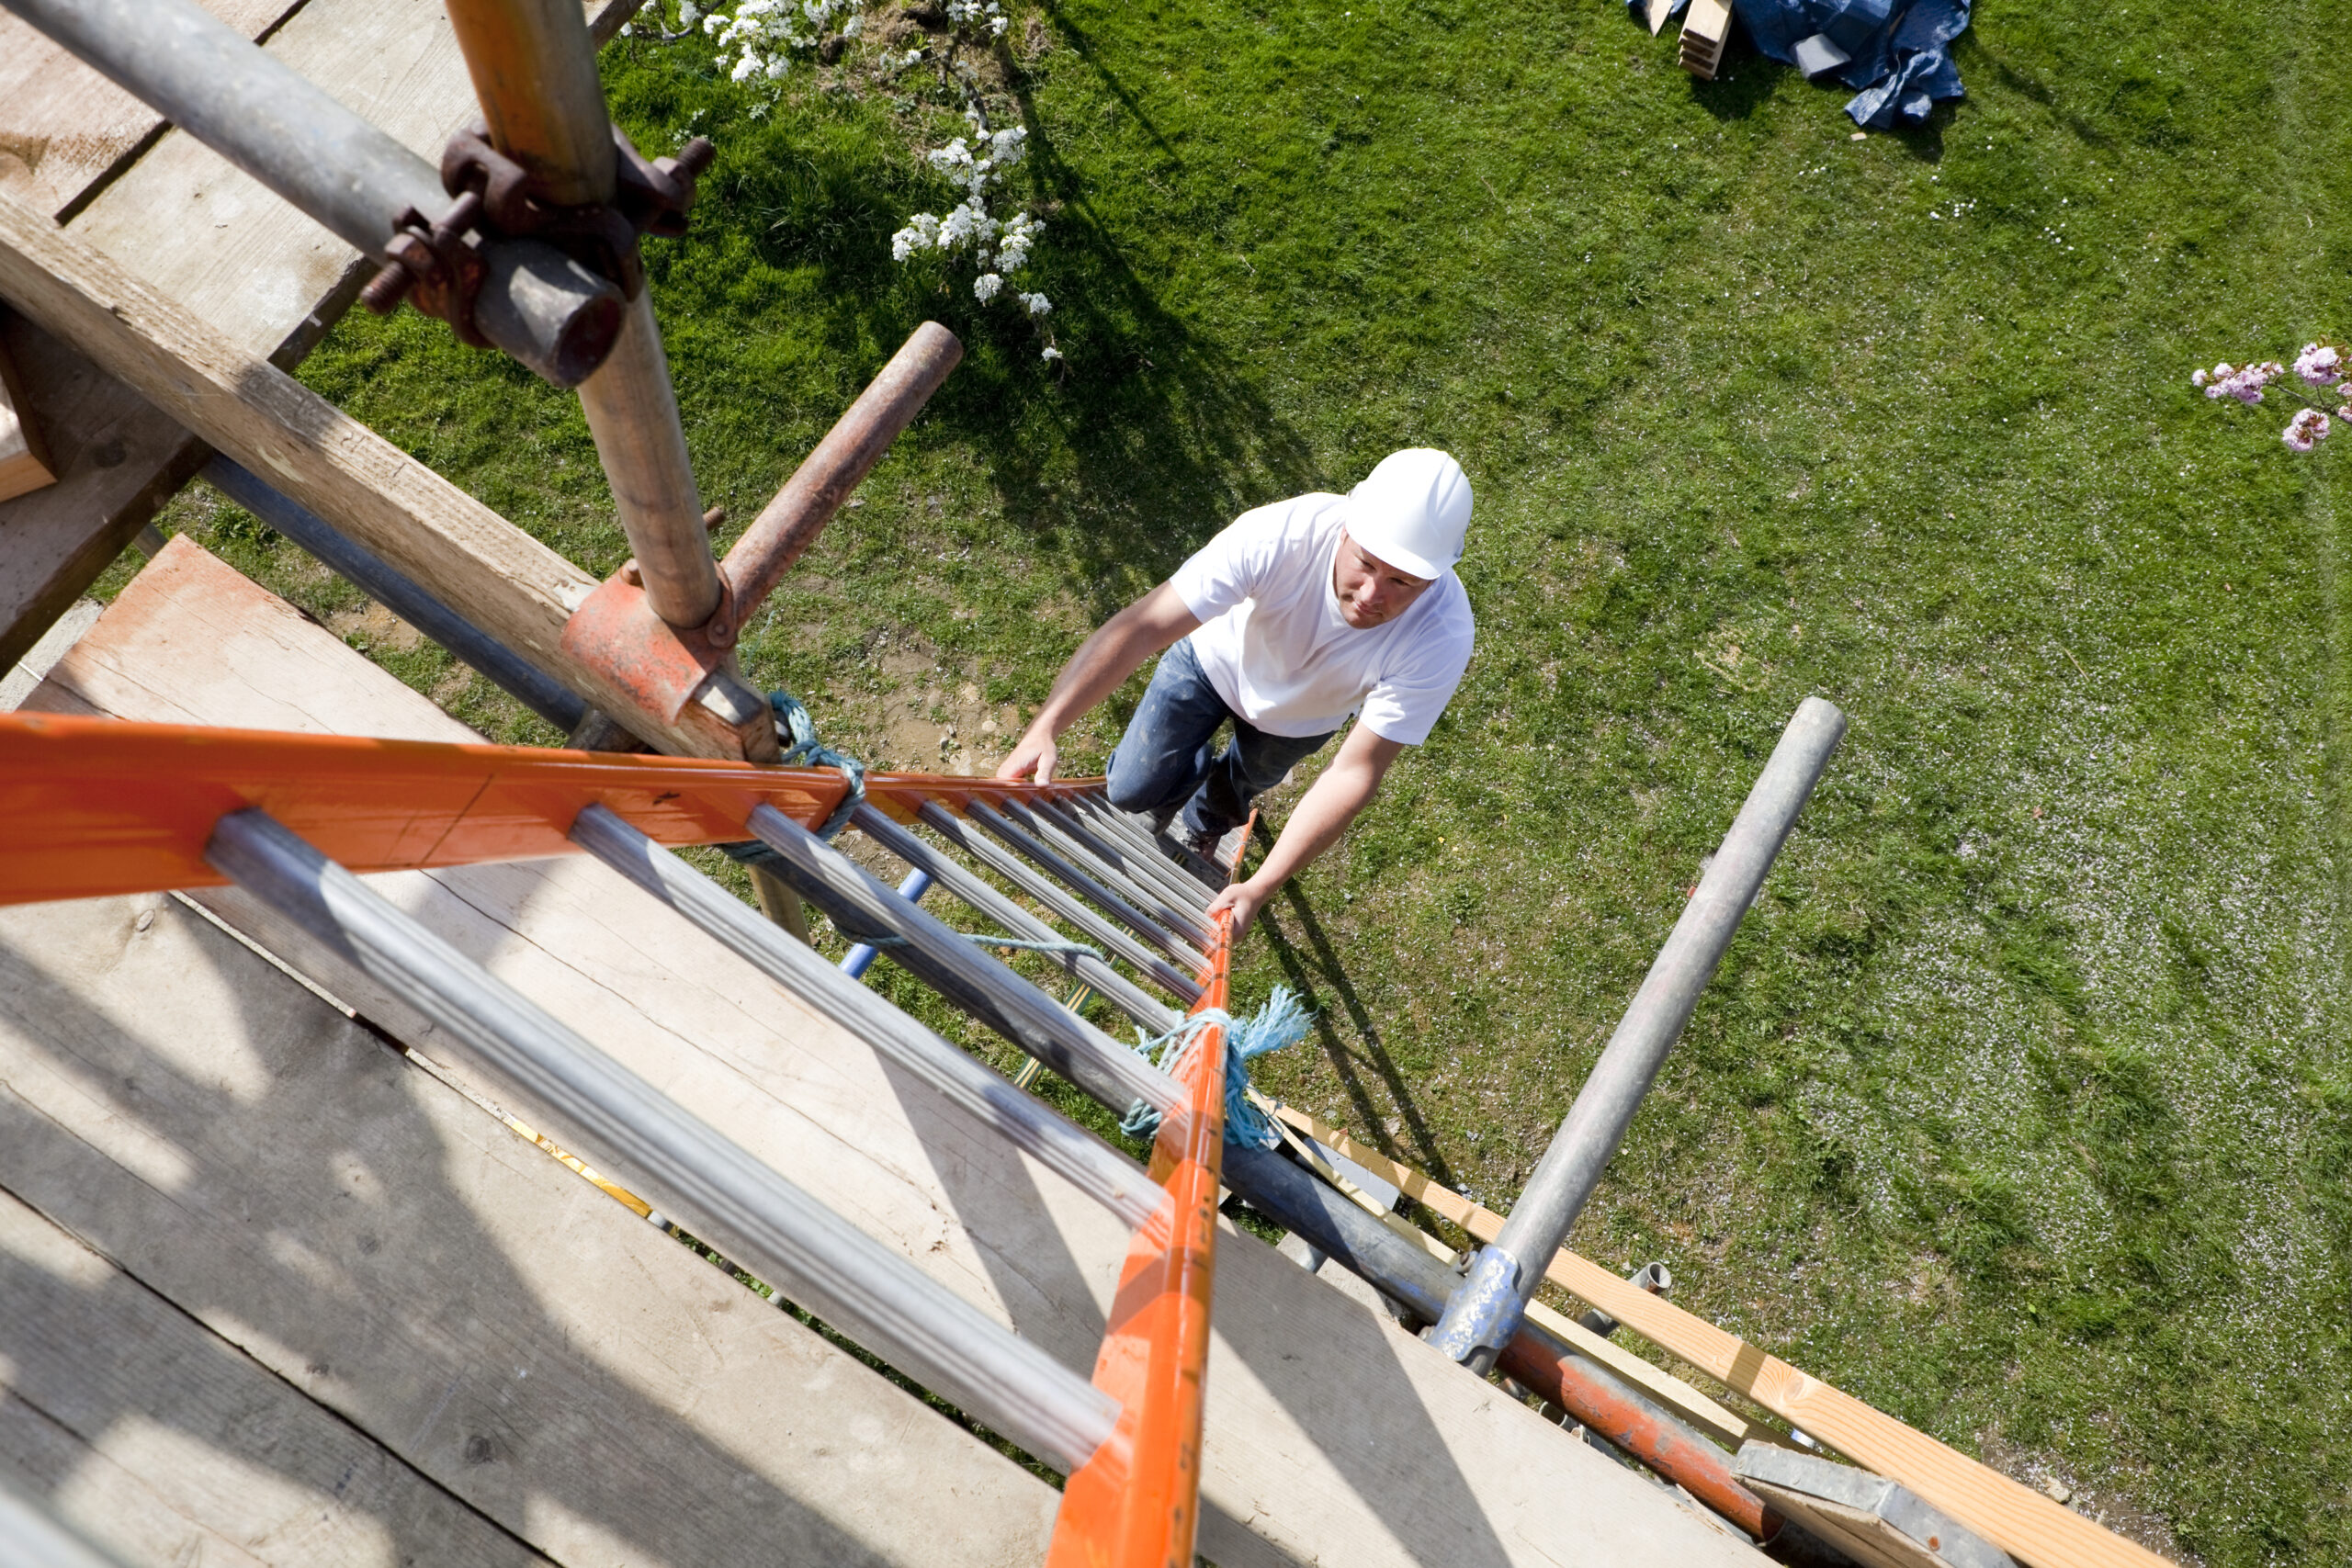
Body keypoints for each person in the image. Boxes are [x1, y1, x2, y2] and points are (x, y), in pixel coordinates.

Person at [996, 448, 1476, 938]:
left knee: (1235, 789)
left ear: (1435, 577)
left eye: (1402, 581)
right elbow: (1142, 626)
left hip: (1300, 720)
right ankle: (1188, 766)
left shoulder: (1443, 635)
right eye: (1366, 564)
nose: (1373, 595)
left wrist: (1260, 887)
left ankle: (1205, 817)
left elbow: (1356, 770)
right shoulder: (1282, 534)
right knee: (1129, 789)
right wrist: (1047, 725)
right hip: (1213, 662)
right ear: (1347, 528)